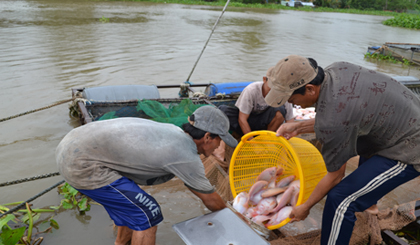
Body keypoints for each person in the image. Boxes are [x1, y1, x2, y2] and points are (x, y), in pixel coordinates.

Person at [264, 54, 420, 245]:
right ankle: (369, 204)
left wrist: (305, 207)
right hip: (399, 120)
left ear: (310, 89)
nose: (291, 104)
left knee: (340, 200)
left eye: (291, 98)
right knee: (359, 153)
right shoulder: (337, 69)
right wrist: (298, 126)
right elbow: (346, 117)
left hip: (410, 147)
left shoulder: (333, 119)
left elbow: (335, 176)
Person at [55, 106, 238, 245]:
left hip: (71, 145)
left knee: (133, 207)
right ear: (207, 137)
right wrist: (235, 218)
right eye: (219, 141)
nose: (218, 147)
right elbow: (211, 200)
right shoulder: (185, 155)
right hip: (83, 165)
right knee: (149, 214)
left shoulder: (174, 132)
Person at [218, 67, 295, 138]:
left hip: (264, 123)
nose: (273, 91)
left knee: (279, 111)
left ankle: (266, 139)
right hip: (248, 120)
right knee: (223, 111)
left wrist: (288, 137)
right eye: (272, 86)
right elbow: (242, 119)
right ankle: (236, 135)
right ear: (264, 80)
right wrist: (251, 141)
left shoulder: (283, 94)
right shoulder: (251, 90)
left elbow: (289, 119)